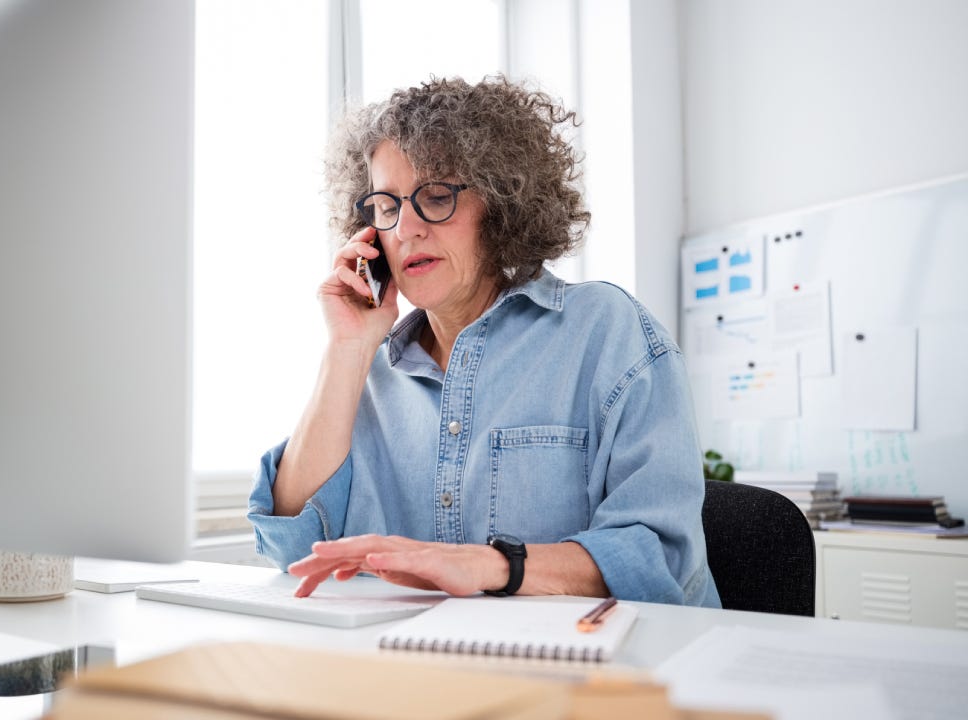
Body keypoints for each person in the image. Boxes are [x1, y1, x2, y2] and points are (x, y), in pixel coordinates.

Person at [246, 76, 720, 607]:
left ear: (501, 203)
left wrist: (492, 566)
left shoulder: (607, 332)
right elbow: (292, 547)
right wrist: (347, 349)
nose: (406, 228)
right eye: (386, 205)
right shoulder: (365, 368)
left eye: (436, 196)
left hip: (599, 673)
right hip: (424, 673)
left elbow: (662, 557)